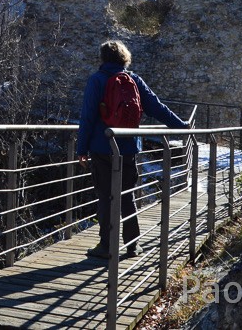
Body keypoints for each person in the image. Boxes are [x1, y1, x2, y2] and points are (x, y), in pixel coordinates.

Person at [77, 40, 189, 259]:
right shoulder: (134, 80)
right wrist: (181, 126)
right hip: (128, 147)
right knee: (127, 196)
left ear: (102, 58)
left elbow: (88, 117)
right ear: (124, 57)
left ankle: (106, 246)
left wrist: (82, 148)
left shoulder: (97, 80)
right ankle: (133, 245)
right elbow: (157, 107)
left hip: (102, 147)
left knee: (106, 197)